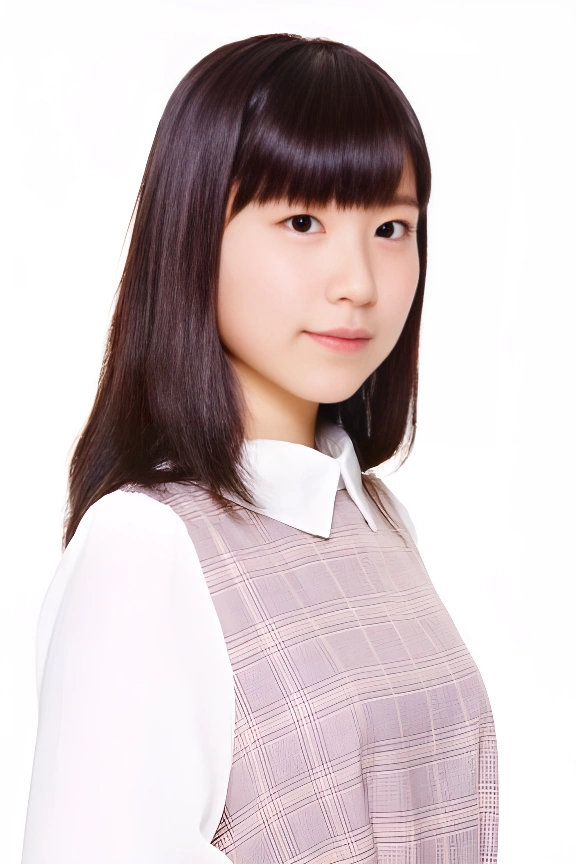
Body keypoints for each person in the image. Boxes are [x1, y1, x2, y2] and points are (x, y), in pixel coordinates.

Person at [20, 33, 499, 864]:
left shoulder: (379, 519)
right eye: (302, 221)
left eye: (391, 227)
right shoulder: (146, 546)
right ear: (194, 235)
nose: (358, 282)